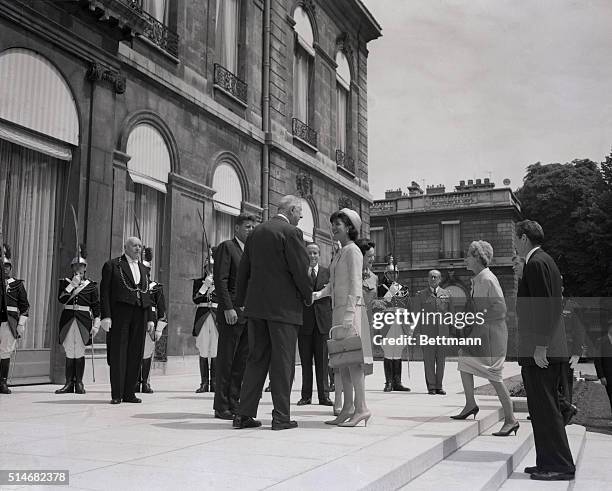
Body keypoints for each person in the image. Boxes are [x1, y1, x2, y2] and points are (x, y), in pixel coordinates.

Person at [233, 195, 312, 430]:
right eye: (299, 213)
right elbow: (300, 270)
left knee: (255, 360)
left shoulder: (256, 232)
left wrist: (241, 301)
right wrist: (307, 296)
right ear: (291, 210)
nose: (300, 218)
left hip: (256, 309)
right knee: (283, 363)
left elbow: (243, 269)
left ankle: (243, 415)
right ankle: (281, 417)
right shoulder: (291, 233)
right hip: (284, 311)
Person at [515, 220, 575, 481]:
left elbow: (547, 307)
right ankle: (546, 462)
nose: (514, 244)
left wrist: (540, 346)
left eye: (516, 238)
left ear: (525, 238)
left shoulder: (536, 263)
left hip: (541, 350)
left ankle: (559, 465)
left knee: (546, 409)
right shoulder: (544, 261)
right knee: (541, 409)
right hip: (543, 348)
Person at [452, 241, 519, 437]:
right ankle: (470, 404)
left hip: (491, 335)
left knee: (495, 376)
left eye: (468, 256)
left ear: (478, 258)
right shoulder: (479, 278)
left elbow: (500, 309)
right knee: (464, 361)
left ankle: (511, 419)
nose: (465, 259)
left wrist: (476, 328)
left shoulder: (487, 279)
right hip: (484, 332)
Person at [315, 208, 372, 427]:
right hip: (338, 311)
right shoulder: (340, 252)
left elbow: (356, 285)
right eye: (333, 224)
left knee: (354, 362)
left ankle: (362, 408)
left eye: (337, 224)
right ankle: (348, 408)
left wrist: (349, 314)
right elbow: (334, 283)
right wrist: (319, 293)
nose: (333, 228)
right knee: (342, 363)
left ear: (349, 227)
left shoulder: (353, 251)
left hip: (350, 311)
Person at [100, 237, 155, 405]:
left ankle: (129, 392)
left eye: (140, 246)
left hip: (140, 313)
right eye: (134, 245)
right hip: (120, 314)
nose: (138, 248)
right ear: (125, 247)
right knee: (119, 354)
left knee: (135, 354)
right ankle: (117, 393)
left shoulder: (144, 268)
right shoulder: (112, 265)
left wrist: (150, 318)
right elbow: (104, 293)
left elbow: (147, 293)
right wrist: (106, 315)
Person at [213, 213, 256, 419]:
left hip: (248, 314)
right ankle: (221, 406)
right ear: (237, 228)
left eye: (252, 226)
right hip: (231, 313)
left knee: (241, 362)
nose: (251, 229)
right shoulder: (227, 247)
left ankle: (234, 401)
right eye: (247, 226)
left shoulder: (251, 252)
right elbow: (221, 280)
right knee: (226, 360)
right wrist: (228, 308)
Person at [56, 245, 101, 395]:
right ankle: (69, 383)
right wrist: (73, 284)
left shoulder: (92, 286)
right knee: (69, 350)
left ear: (85, 267)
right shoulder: (65, 282)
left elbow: (96, 307)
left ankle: (79, 383)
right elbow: (61, 299)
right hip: (68, 319)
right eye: (75, 265)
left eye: (81, 265)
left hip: (83, 320)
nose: (78, 268)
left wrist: (96, 325)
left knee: (80, 350)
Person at [297, 242, 333, 407]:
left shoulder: (328, 272)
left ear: (319, 255)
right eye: (309, 253)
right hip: (304, 323)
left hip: (322, 324)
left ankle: (324, 396)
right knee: (306, 362)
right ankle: (306, 396)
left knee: (322, 362)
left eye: (315, 253)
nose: (312, 256)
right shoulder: (300, 272)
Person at [413, 270, 452, 394]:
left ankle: (439, 386)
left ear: (440, 279)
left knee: (441, 361)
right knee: (429, 361)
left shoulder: (447, 294)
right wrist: (418, 333)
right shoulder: (421, 295)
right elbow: (417, 316)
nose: (433, 279)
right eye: (431, 277)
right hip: (427, 334)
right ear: (428, 279)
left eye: (435, 277)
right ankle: (431, 386)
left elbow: (451, 315)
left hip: (442, 334)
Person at [376, 258, 411, 392]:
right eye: (390, 273)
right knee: (388, 351)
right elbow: (378, 305)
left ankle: (398, 382)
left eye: (395, 273)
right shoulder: (381, 288)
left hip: (401, 323)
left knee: (398, 352)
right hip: (387, 323)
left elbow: (408, 307)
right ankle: (388, 382)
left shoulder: (404, 289)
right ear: (386, 274)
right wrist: (391, 291)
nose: (393, 275)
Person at [135, 247, 166, 394]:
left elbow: (162, 311)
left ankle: (145, 382)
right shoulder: (133, 286)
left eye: (146, 270)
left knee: (147, 353)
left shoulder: (156, 288)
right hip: (136, 323)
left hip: (151, 325)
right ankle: (134, 382)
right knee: (135, 353)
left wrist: (159, 328)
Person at [0, 245, 29, 395]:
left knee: (5, 352)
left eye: (7, 266)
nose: (5, 268)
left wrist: (21, 323)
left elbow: (25, 306)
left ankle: (3, 382)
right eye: (2, 265)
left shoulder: (17, 285)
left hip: (9, 322)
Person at [192, 251, 218, 393]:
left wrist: (215, 285)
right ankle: (204, 383)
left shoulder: (221, 283)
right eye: (208, 266)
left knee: (215, 349)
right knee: (203, 348)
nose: (210, 269)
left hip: (215, 316)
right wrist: (204, 287)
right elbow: (195, 299)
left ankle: (214, 382)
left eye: (213, 267)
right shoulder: (198, 282)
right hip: (202, 316)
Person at [594, 322, 612, 419]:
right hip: (608, 376)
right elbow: (597, 360)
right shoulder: (601, 341)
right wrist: (601, 376)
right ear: (609, 327)